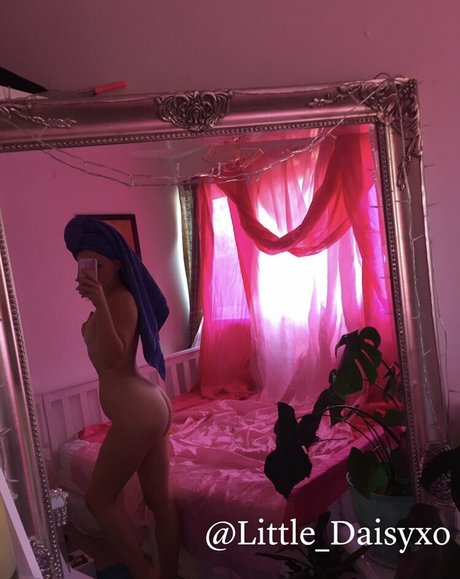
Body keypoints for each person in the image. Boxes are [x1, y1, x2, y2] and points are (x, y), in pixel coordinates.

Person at [64, 216, 181, 579]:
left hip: (138, 412)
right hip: (147, 407)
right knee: (159, 500)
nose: (91, 272)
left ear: (116, 265)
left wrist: (100, 303)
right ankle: (169, 574)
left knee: (99, 499)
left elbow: (115, 357)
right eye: (84, 265)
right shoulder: (113, 301)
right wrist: (99, 306)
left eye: (98, 265)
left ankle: (144, 573)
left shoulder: (120, 300)